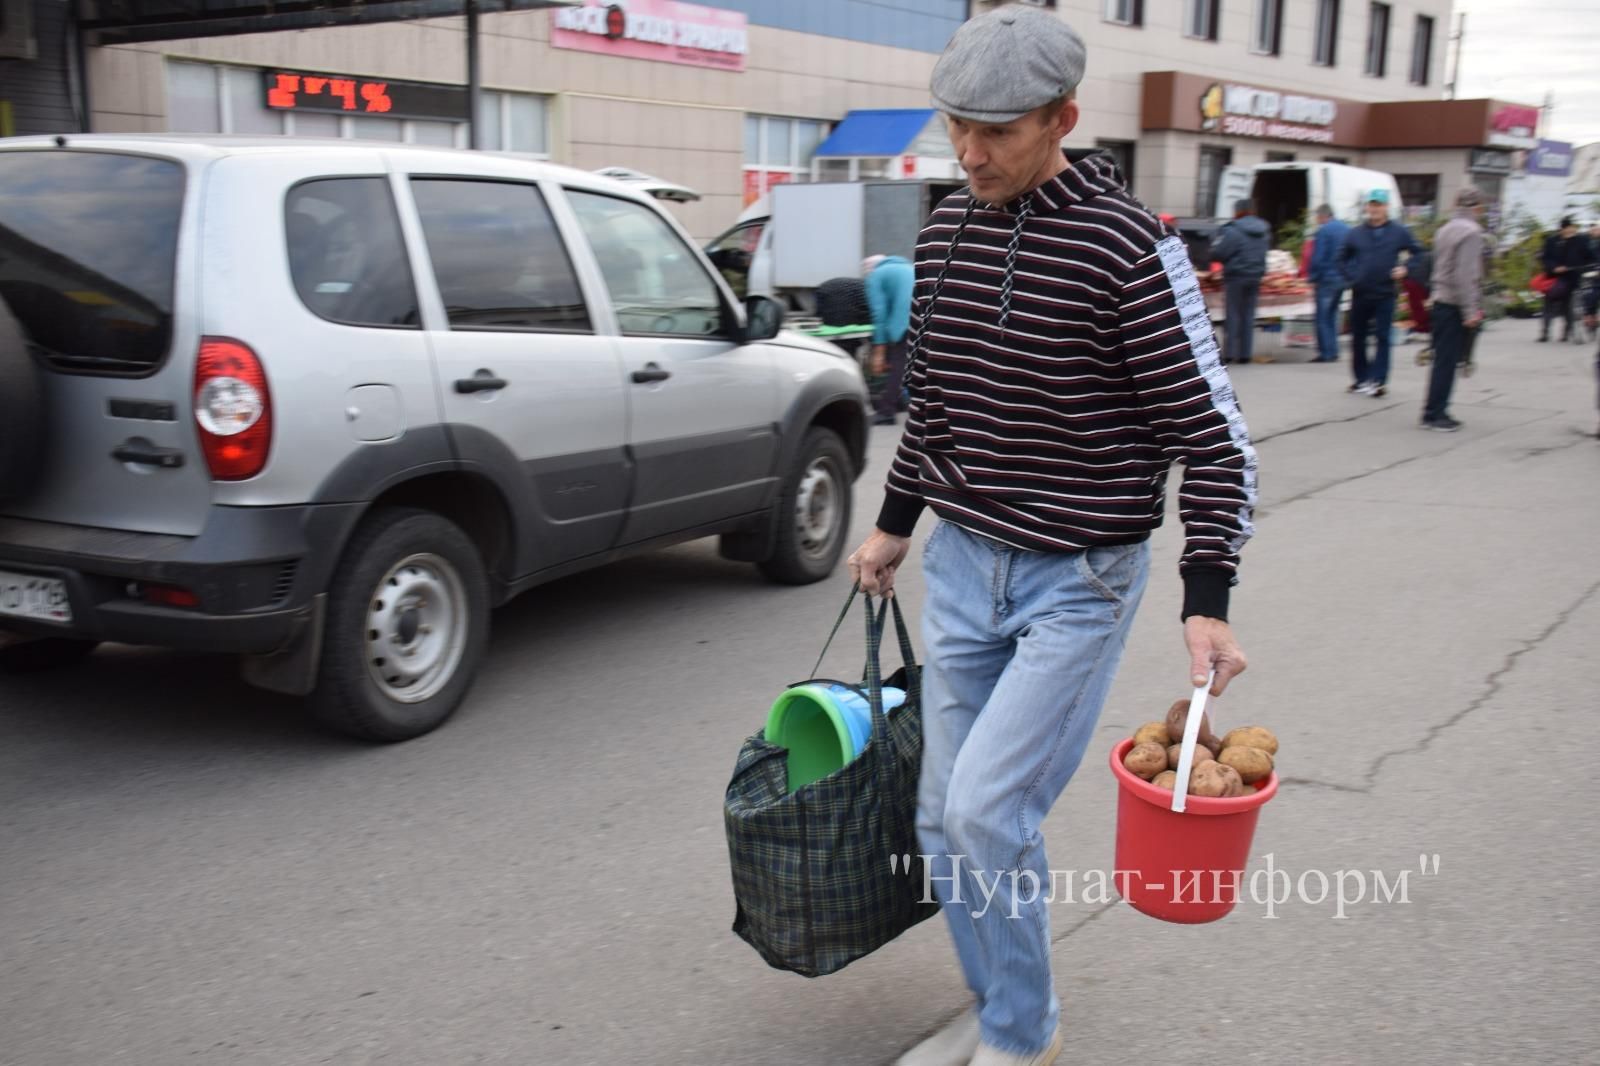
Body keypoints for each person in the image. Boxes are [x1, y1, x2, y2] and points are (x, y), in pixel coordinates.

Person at [845, 9, 1255, 1066]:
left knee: (987, 813)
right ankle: (1009, 1014)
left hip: (1077, 581)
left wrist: (1205, 594)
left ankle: (1020, 1040)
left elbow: (1212, 441)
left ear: (1062, 119)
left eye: (998, 132)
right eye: (955, 128)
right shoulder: (944, 230)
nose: (970, 154)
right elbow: (931, 404)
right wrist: (893, 528)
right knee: (943, 824)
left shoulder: (1128, 249)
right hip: (964, 566)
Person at [1338, 189, 1420, 397]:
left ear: (1386, 207)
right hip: (1361, 292)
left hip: (1385, 293)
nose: (1374, 209)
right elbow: (1341, 258)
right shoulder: (1355, 233)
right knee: (1358, 337)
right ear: (1367, 207)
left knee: (1383, 337)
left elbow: (1419, 253)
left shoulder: (1398, 232)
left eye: (1379, 205)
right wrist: (1351, 277)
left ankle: (1378, 380)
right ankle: (1360, 379)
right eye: (1372, 205)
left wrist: (1406, 269)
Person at [1421, 186, 1488, 432]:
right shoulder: (1472, 233)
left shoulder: (1445, 230)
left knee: (1441, 360)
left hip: (1440, 299)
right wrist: (1470, 311)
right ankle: (1436, 413)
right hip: (1454, 303)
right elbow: (1465, 274)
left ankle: (1433, 409)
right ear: (1477, 207)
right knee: (1448, 362)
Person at [1208, 199, 1272, 365]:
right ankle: (1245, 354)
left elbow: (1219, 253)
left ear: (1238, 211)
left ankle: (1230, 353)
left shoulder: (1233, 230)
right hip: (1256, 275)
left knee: (1233, 314)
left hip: (1236, 276)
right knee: (1249, 315)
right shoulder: (1264, 230)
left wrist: (1214, 252)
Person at [863, 253, 916, 426]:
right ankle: (901, 401)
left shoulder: (875, 275)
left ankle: (886, 412)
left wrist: (879, 347)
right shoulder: (907, 267)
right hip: (924, 317)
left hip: (905, 321)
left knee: (898, 366)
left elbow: (879, 313)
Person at [1541, 217, 1595, 343]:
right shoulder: (1552, 241)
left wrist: (1591, 267)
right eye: (1567, 228)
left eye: (1571, 227)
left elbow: (1590, 256)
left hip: (1575, 276)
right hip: (1557, 278)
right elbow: (1546, 258)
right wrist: (1554, 267)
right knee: (1549, 305)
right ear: (1561, 229)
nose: (1570, 230)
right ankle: (1545, 332)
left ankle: (1568, 332)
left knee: (1569, 305)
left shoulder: (1581, 239)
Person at [1306, 204, 1349, 363]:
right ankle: (1334, 350)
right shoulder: (1346, 229)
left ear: (1322, 216)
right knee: (1333, 314)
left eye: (1317, 217)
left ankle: (1326, 353)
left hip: (1326, 278)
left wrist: (1313, 277)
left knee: (1323, 317)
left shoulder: (1324, 231)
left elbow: (1318, 257)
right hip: (1342, 279)